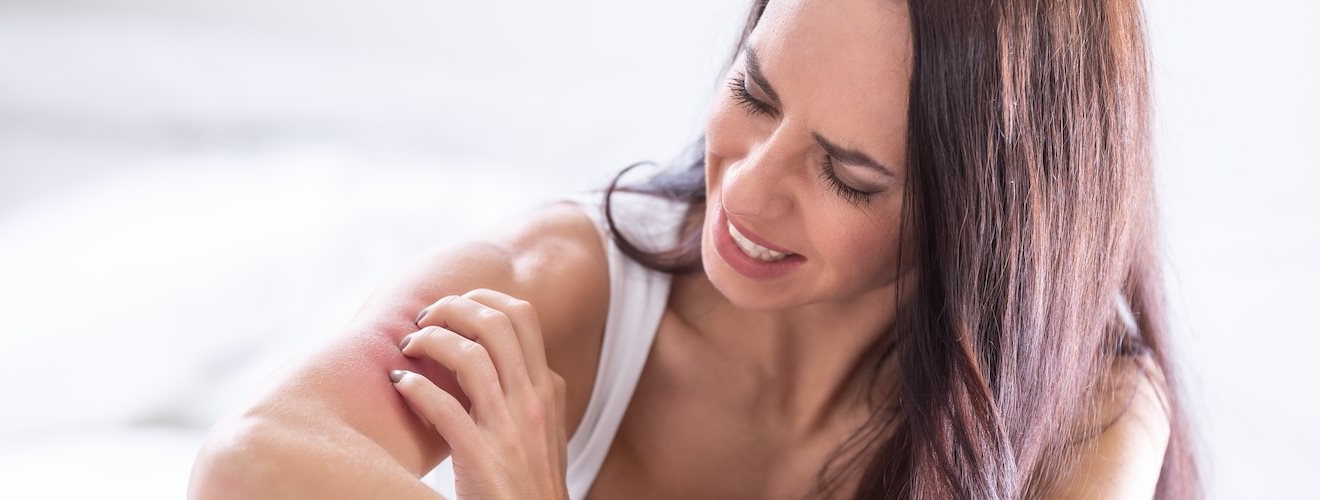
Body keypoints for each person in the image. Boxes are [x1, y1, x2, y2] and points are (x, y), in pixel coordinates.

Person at [188, 0, 1200, 497]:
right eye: (753, 92)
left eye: (848, 174)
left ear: (981, 223)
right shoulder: (567, 284)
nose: (745, 190)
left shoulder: (1087, 412)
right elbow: (249, 461)